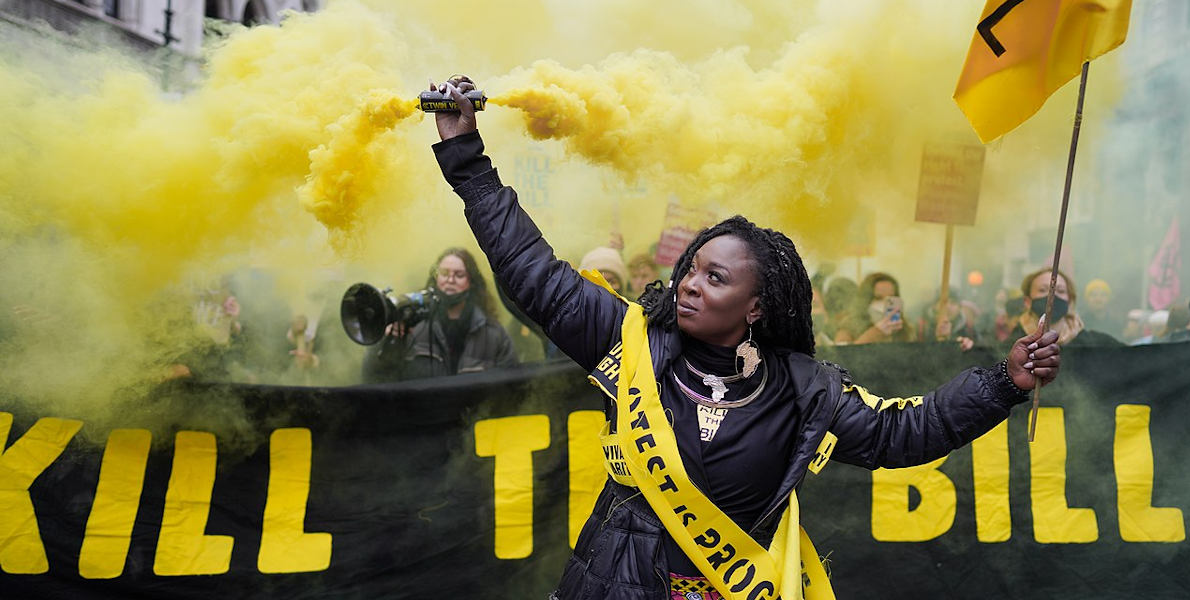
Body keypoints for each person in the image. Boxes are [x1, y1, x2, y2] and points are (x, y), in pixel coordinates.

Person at [429, 77, 1061, 600]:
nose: (689, 284)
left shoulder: (805, 390)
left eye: (715, 277)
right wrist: (466, 157)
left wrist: (1002, 383)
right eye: (691, 268)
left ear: (756, 306)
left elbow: (903, 432)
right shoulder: (630, 338)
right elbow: (532, 271)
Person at [361, 247, 518, 382]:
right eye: (444, 273)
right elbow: (375, 377)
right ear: (436, 278)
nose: (450, 280)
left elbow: (510, 388)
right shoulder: (413, 326)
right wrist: (387, 342)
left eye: (459, 275)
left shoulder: (494, 334)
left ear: (471, 282)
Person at [1003, 268, 1121, 348]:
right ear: (1027, 302)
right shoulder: (1011, 347)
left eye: (1060, 291)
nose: (1052, 296)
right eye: (1043, 290)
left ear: (1070, 301)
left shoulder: (1096, 345)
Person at [850, 272, 915, 344]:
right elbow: (847, 351)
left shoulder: (906, 331)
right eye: (878, 298)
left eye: (890, 298)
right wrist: (874, 334)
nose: (884, 304)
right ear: (865, 301)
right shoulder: (849, 329)